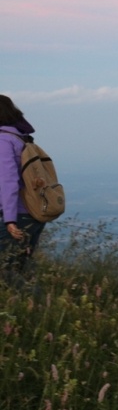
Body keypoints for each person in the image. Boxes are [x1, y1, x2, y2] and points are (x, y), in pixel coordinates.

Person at [0, 95, 46, 281]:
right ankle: (37, 299)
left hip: (17, 216)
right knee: (21, 271)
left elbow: (8, 181)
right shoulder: (21, 138)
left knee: (6, 272)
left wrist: (10, 220)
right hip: (33, 213)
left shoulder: (3, 140)